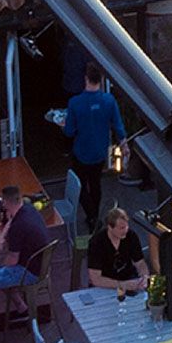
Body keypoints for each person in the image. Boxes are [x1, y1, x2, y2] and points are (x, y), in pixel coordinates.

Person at [0, 186, 49, 329]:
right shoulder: (29, 210)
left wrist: (0, 265)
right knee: (0, 270)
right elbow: (13, 222)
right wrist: (5, 231)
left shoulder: (18, 227)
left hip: (29, 272)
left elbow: (12, 260)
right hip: (41, 265)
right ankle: (22, 308)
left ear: (5, 203)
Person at [63, 62, 124, 231]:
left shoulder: (75, 103)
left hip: (81, 151)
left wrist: (63, 124)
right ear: (101, 79)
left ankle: (92, 216)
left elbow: (69, 131)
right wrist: (123, 142)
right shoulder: (108, 100)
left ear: (85, 79)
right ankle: (94, 217)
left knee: (80, 185)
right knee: (95, 183)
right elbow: (118, 125)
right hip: (100, 151)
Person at [86, 207, 150, 291]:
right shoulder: (97, 243)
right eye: (121, 228)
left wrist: (144, 276)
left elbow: (140, 262)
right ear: (110, 227)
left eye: (126, 227)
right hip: (106, 283)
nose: (125, 231)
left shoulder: (131, 236)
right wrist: (122, 285)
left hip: (128, 277)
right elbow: (96, 279)